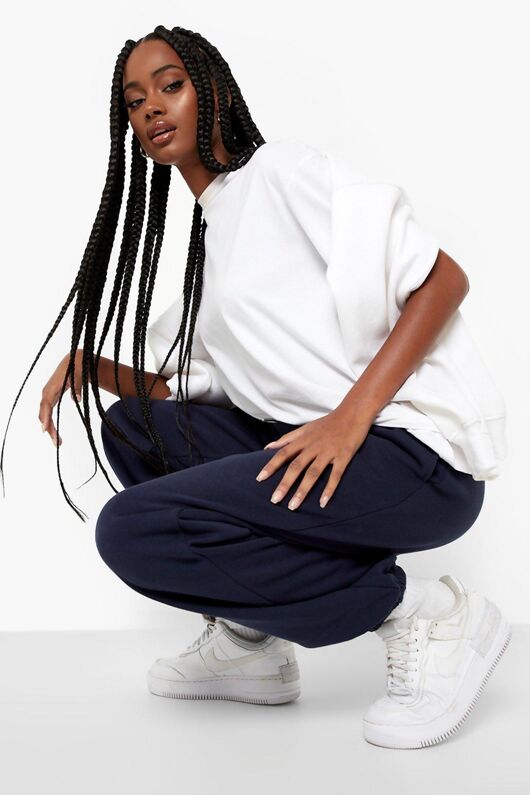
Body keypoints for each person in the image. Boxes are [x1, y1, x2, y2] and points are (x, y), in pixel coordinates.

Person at [1, 25, 510, 750]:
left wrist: (348, 419)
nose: (152, 108)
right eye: (135, 101)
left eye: (170, 85)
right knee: (133, 428)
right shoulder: (213, 240)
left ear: (211, 89)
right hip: (328, 454)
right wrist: (94, 366)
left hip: (415, 460)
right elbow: (198, 390)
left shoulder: (282, 173)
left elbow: (443, 278)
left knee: (131, 529)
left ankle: (427, 614)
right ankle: (253, 644)